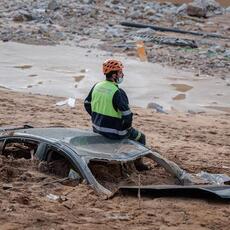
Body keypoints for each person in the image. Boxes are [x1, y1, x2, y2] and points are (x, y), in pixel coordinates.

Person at [84, 59, 148, 170]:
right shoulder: (117, 92)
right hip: (115, 133)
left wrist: (96, 117)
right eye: (120, 72)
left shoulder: (97, 86)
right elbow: (128, 115)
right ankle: (139, 165)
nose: (122, 74)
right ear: (114, 75)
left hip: (97, 128)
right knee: (141, 137)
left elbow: (86, 104)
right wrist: (127, 128)